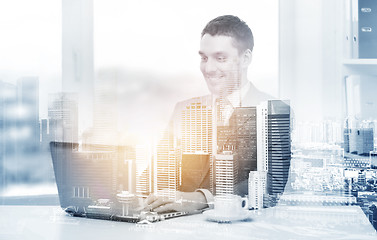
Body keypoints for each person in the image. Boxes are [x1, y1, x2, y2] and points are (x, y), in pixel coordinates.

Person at [144, 15, 273, 213]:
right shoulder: (184, 110)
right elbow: (156, 171)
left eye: (220, 58)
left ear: (245, 58)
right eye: (204, 58)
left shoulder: (272, 111)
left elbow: (271, 183)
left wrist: (202, 198)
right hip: (180, 227)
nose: (209, 69)